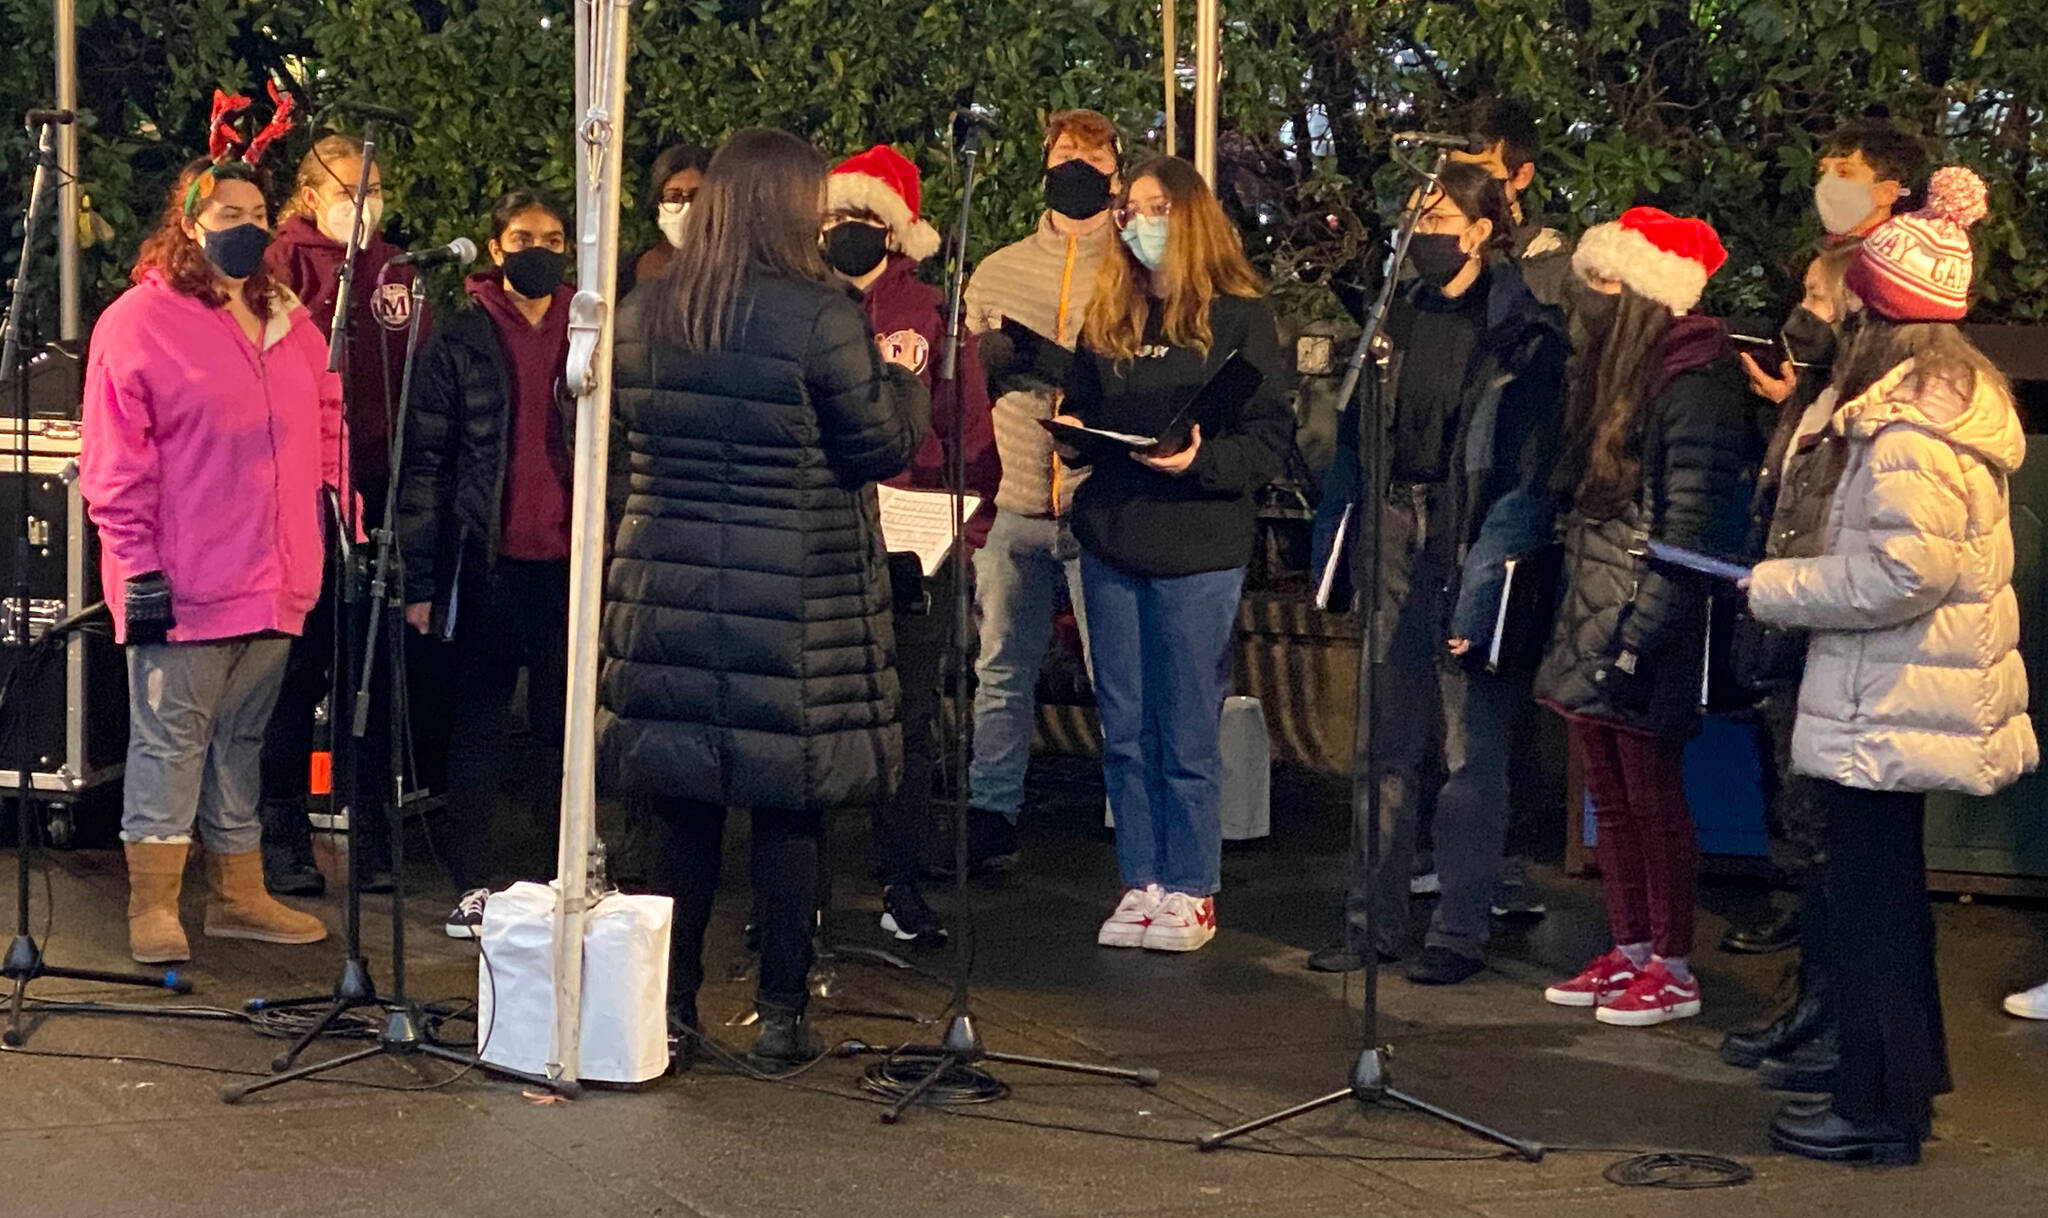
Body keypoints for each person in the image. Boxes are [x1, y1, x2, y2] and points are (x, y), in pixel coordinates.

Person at [604, 129, 929, 1067]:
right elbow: (875, 444)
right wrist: (904, 381)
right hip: (795, 597)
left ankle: (670, 1013)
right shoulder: (819, 314)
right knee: (792, 808)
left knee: (683, 813)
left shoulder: (647, 309)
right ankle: (784, 1014)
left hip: (665, 589)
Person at [1746, 167, 2034, 1163]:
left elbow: (1902, 571)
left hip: (1892, 693)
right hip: (1913, 691)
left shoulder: (1909, 421)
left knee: (1872, 910)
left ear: (1878, 314)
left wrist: (1776, 585)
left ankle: (1878, 1113)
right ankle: (1896, 1085)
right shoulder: (1950, 402)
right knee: (1887, 903)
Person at [1303, 163, 1570, 980]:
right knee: (1383, 738)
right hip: (1391, 528)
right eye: (1415, 215)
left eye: (1442, 215)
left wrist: (1488, 579)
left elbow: (1528, 474)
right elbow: (1350, 441)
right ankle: (1371, 924)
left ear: (1483, 229)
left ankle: (1458, 930)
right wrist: (1334, 552)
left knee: (1467, 747)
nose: (1422, 230)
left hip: (1469, 540)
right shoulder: (1394, 322)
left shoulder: (1525, 336)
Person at [79, 154, 337, 964]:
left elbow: (325, 420)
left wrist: (339, 511)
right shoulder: (138, 321)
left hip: (276, 574)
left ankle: (237, 893)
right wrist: (138, 564)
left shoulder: (291, 318)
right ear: (189, 222)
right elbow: (116, 461)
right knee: (170, 741)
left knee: (242, 739)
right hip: (185, 580)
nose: (246, 226)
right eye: (226, 212)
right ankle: (152, 905)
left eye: (257, 211)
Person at [1052, 155, 1291, 953]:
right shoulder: (1110, 312)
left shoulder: (1240, 316)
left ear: (1188, 217)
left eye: (1153, 208)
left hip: (1197, 542)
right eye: (1128, 209)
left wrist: (1200, 463)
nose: (1135, 222)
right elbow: (1083, 406)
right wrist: (1073, 431)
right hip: (1114, 534)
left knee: (1186, 726)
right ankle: (1140, 878)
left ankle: (1191, 885)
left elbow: (1267, 440)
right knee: (1125, 724)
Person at [1533, 207, 1760, 1027]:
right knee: (1612, 793)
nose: (1589, 295)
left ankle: (1672, 960)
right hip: (1598, 596)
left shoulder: (1693, 379)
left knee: (1652, 792)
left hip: (1643, 604)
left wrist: (1643, 631)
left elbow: (1694, 522)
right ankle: (1629, 946)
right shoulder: (1613, 374)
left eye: (1604, 280)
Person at [1722, 118, 1929, 960]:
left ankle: (1819, 945)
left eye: (1845, 172)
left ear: (1891, 189)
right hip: (1799, 576)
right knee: (1788, 755)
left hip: (1845, 607)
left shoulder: (1898, 332)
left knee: (1842, 817)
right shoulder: (1830, 351)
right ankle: (1804, 927)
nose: (1828, 184)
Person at [824, 144, 1000, 946]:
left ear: (894, 230)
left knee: (909, 718)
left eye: (861, 220)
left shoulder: (931, 311)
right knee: (818, 719)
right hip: (824, 541)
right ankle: (805, 892)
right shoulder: (806, 307)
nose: (844, 233)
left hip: (915, 549)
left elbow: (966, 429)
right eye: (832, 220)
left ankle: (902, 879)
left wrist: (963, 526)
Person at [397, 188, 575, 938]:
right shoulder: (460, 340)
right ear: (495, 249)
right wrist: (420, 580)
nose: (539, 248)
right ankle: (473, 881)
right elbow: (426, 465)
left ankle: (565, 875)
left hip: (572, 559)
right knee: (480, 722)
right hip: (487, 558)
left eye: (554, 237)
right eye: (523, 236)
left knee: (565, 726)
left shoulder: (593, 330)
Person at [257, 132, 424, 898]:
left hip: (380, 485)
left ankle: (377, 833)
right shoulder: (281, 261)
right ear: (310, 194)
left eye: (375, 188)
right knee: (299, 672)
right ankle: (281, 829)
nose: (364, 203)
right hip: (303, 495)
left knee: (374, 669)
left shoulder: (395, 269)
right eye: (349, 188)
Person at [958, 109, 1122, 872]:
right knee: (1000, 667)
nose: (1076, 167)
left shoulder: (1133, 266)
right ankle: (992, 812)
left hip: (1100, 499)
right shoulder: (996, 268)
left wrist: (1065, 367)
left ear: (1115, 170)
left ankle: (1131, 812)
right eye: (1064, 155)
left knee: (1115, 669)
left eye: (1091, 155)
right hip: (1015, 496)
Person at [620, 142, 709, 295]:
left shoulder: (735, 271)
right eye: (674, 196)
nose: (686, 206)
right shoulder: (628, 274)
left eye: (697, 196)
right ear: (657, 204)